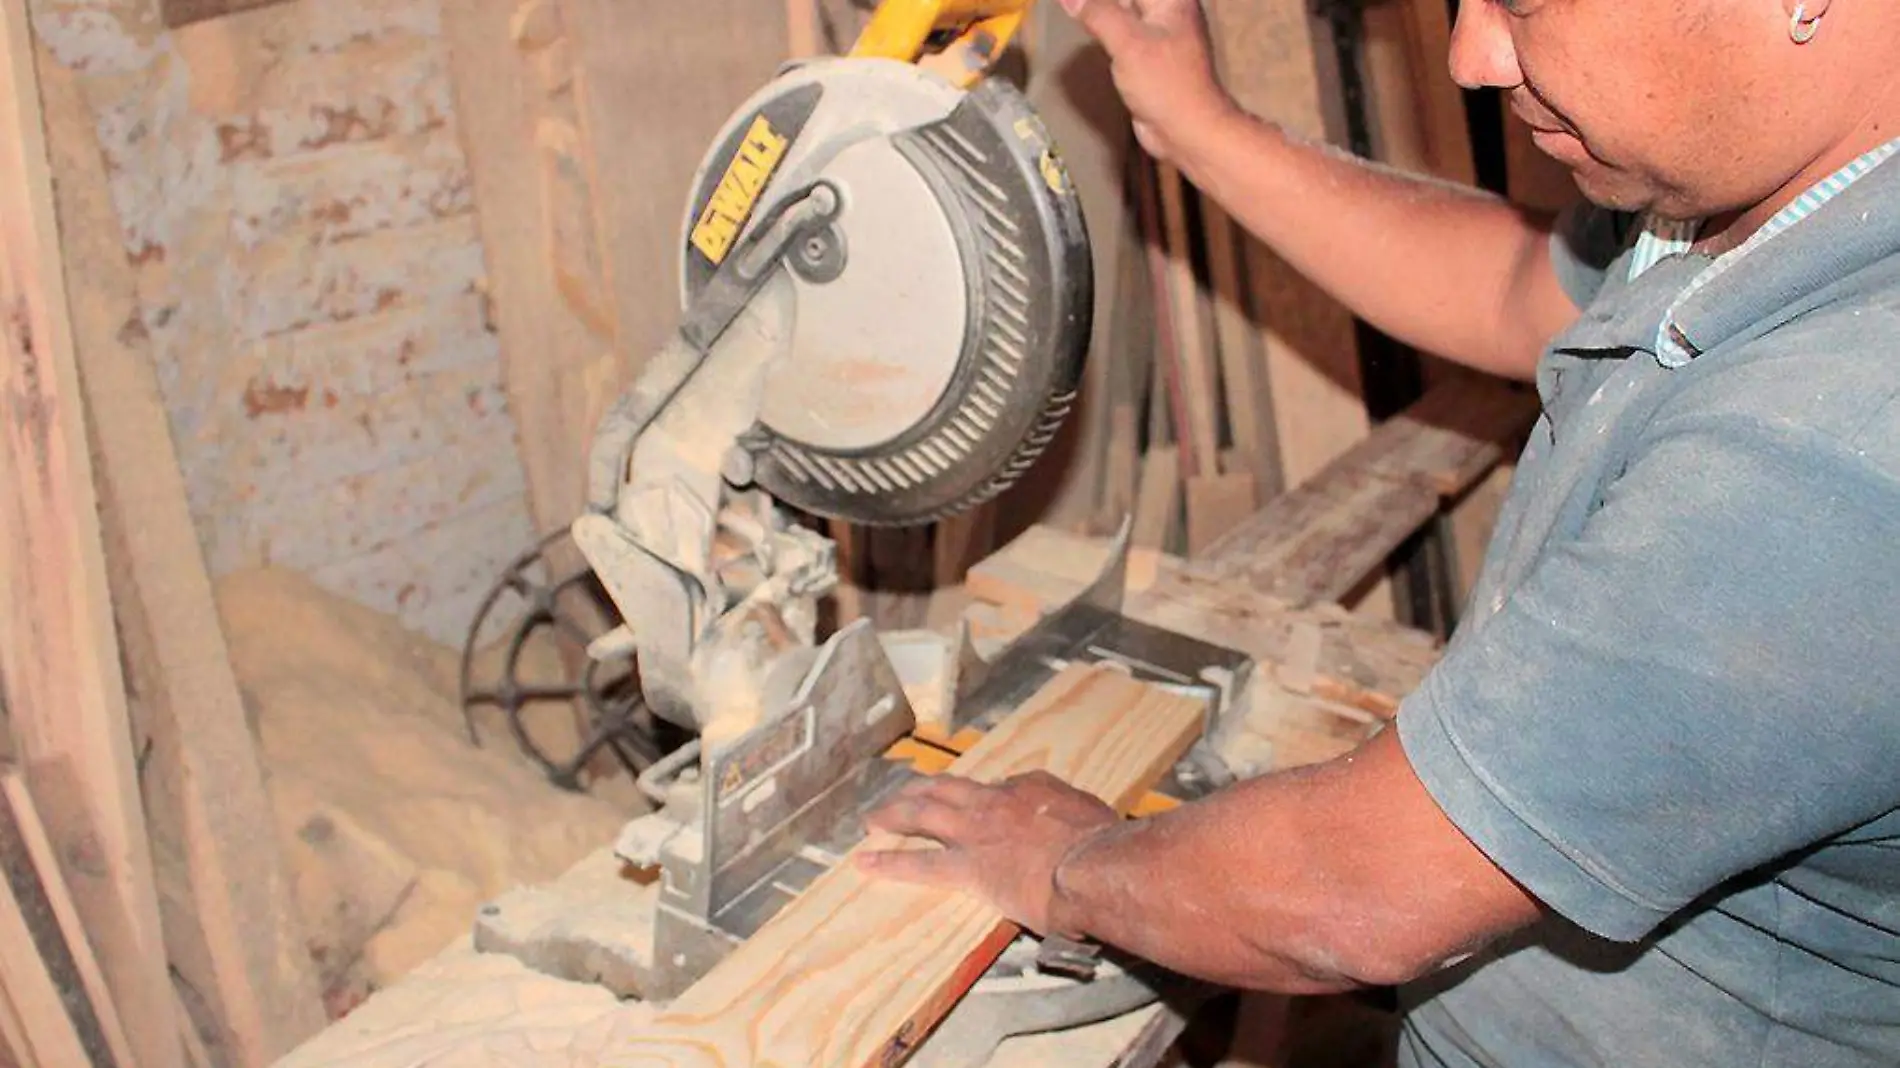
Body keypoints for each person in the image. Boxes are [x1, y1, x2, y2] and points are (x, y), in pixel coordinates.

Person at [856, 0, 1900, 1064]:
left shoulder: (1842, 445)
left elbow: (1353, 891)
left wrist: (1070, 868)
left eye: (1525, 3)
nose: (1471, 56)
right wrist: (1197, 121)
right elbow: (1515, 291)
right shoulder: (1765, 179)